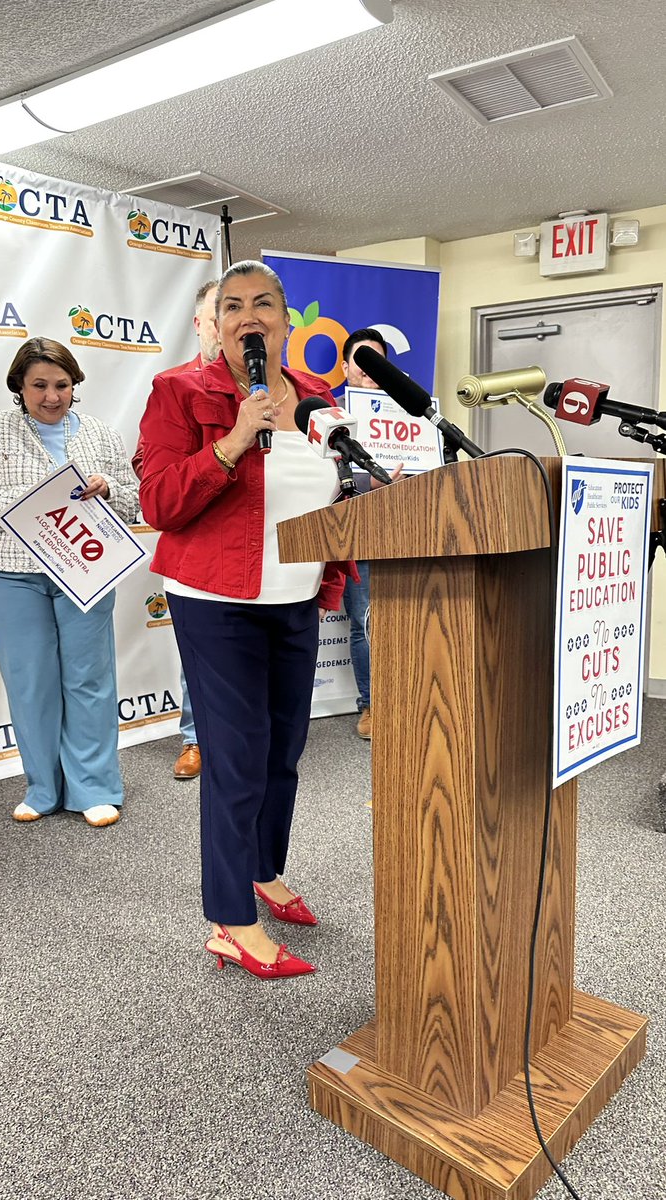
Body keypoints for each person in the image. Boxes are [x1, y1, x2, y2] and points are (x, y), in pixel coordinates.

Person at [139, 260, 354, 979]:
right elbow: (161, 504)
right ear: (216, 324)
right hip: (217, 603)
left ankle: (263, 871)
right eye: (232, 306)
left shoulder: (321, 399)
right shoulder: (178, 392)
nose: (249, 315)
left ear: (286, 319)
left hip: (295, 597)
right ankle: (230, 920)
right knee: (236, 765)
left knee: (281, 754)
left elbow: (333, 494)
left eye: (264, 302)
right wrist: (231, 440)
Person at [0, 337, 139, 826]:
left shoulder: (99, 432)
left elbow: (132, 499)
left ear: (75, 384)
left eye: (62, 384)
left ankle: (94, 788)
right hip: (13, 573)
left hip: (87, 572)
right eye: (40, 386)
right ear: (19, 386)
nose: (52, 396)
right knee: (30, 683)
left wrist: (108, 488)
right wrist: (38, 504)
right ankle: (41, 788)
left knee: (89, 679)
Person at [133, 279, 220, 781]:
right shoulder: (172, 385)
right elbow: (152, 472)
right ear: (199, 325)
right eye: (216, 317)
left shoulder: (273, 388)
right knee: (198, 653)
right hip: (193, 544)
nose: (226, 327)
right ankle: (194, 739)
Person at [341, 328, 402, 740]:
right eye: (361, 360)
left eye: (377, 361)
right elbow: (328, 479)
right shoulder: (330, 415)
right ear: (345, 367)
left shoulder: (410, 414)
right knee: (365, 623)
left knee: (406, 621)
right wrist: (370, 486)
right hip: (359, 533)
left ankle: (408, 700)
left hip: (407, 533)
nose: (369, 370)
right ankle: (372, 705)